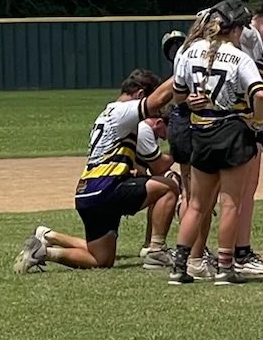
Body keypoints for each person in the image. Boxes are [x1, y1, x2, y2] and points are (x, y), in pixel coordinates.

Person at [15, 71, 177, 273]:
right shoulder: (123, 111)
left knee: (101, 259)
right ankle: (156, 251)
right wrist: (182, 71)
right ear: (140, 94)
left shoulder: (106, 113)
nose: (156, 112)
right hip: (106, 189)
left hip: (87, 193)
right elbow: (157, 100)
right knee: (169, 187)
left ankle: (44, 251)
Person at [164, 6, 263, 287]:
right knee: (231, 203)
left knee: (197, 204)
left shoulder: (189, 52)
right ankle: (225, 267)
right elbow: (259, 93)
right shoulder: (239, 57)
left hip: (200, 130)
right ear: (235, 29)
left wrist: (189, 101)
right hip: (232, 131)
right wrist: (257, 122)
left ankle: (179, 266)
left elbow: (177, 95)